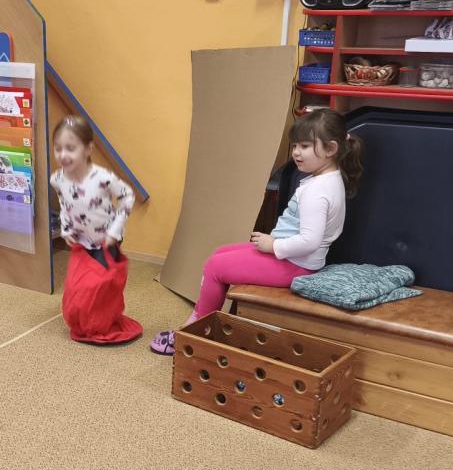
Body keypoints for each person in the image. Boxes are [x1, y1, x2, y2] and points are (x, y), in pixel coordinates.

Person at [151, 109, 362, 354]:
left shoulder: (317, 191)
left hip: (296, 264)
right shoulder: (328, 178)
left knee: (214, 267)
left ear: (331, 149)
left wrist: (273, 245)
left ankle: (193, 333)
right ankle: (210, 321)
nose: (296, 152)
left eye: (305, 146)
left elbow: (310, 241)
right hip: (294, 257)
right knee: (220, 253)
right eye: (295, 145)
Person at [50, 116, 143, 344]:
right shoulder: (57, 179)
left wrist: (114, 231)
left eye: (70, 148)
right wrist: (66, 229)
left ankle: (103, 322)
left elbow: (128, 197)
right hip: (81, 241)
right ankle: (85, 322)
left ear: (88, 149)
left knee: (101, 286)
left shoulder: (103, 178)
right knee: (78, 285)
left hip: (107, 241)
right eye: (58, 148)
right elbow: (64, 204)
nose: (63, 155)